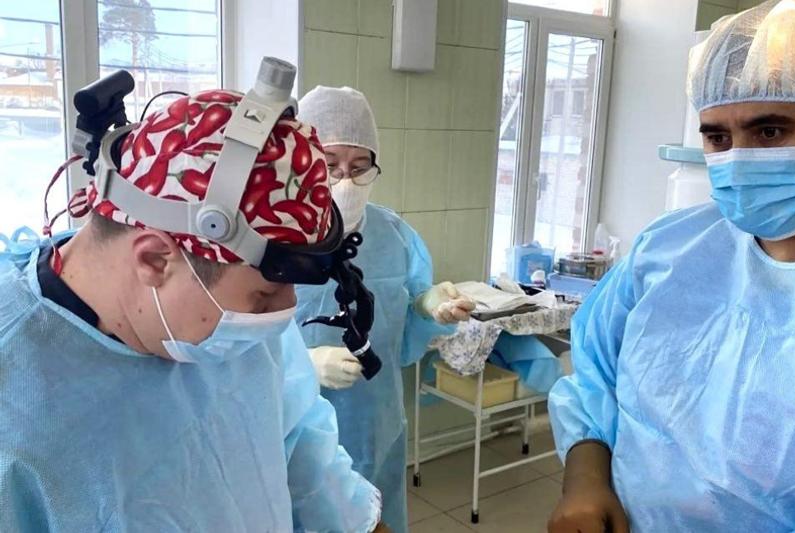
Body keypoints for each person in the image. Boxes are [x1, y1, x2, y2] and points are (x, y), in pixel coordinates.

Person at [0, 75, 387, 532]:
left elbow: (301, 440)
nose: (282, 313)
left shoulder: (241, 331)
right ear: (155, 259)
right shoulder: (17, 406)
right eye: (263, 296)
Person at [547, 1, 795, 531]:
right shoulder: (669, 247)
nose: (737, 161)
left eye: (770, 133)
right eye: (717, 138)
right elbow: (594, 372)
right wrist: (586, 480)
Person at [294, 86, 476, 533]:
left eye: (360, 168)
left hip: (375, 419)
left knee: (377, 511)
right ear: (303, 162)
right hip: (294, 428)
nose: (345, 181)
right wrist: (301, 366)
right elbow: (238, 346)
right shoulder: (274, 237)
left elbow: (403, 323)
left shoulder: (393, 234)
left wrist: (427, 304)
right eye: (330, 165)